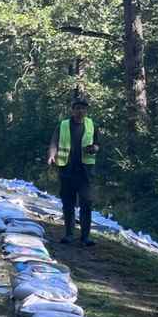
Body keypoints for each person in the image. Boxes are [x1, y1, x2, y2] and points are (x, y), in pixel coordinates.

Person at [47, 97, 100, 246]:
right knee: (68, 204)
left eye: (83, 108)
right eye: (77, 108)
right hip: (67, 170)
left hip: (85, 172)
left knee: (86, 203)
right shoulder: (63, 125)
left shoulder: (92, 125)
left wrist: (94, 148)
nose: (80, 111)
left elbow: (97, 144)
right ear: (73, 110)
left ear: (86, 110)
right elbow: (54, 142)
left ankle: (85, 237)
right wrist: (51, 155)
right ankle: (69, 234)